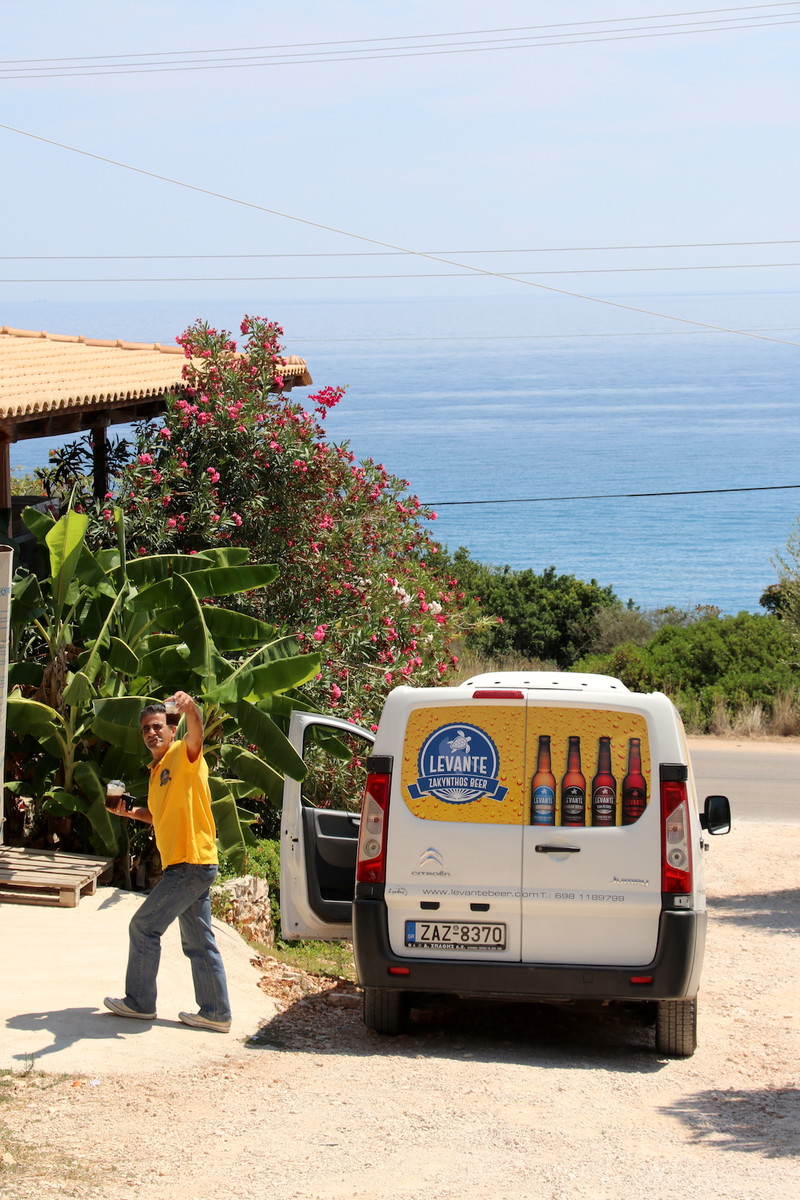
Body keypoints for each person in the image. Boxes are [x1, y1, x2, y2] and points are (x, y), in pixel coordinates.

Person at [103, 691, 232, 1033]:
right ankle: (216, 1013)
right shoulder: (157, 770)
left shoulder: (183, 755)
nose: (151, 732)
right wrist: (129, 810)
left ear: (171, 729)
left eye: (157, 726)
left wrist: (191, 709)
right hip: (187, 864)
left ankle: (140, 1003)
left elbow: (197, 735)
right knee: (199, 941)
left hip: (191, 862)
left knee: (144, 927)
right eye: (146, 728)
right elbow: (158, 815)